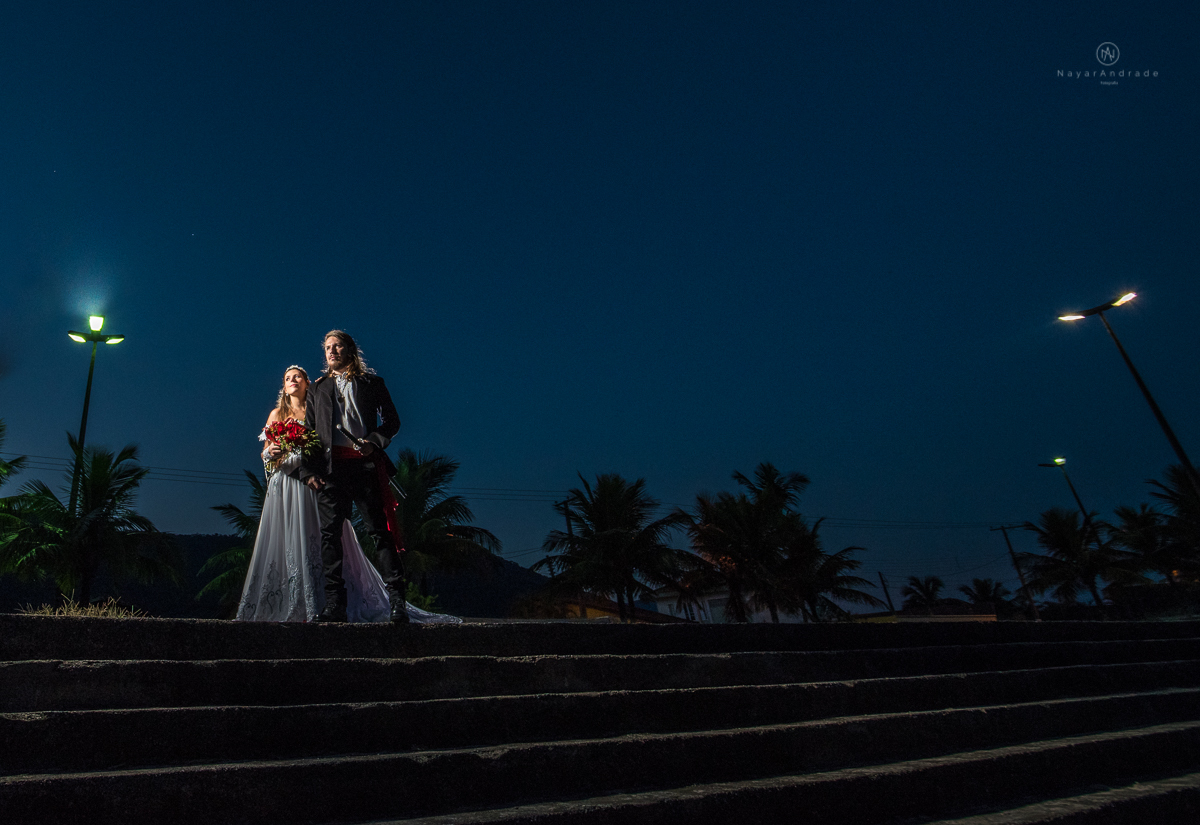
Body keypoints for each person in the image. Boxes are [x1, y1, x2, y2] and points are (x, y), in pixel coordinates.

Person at [235, 365, 458, 624]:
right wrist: (270, 452)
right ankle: (291, 596)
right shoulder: (277, 414)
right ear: (283, 387)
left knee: (321, 535)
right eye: (287, 378)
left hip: (314, 483)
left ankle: (329, 599)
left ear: (309, 382)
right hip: (286, 484)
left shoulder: (320, 408)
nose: (292, 380)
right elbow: (266, 452)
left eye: (297, 376)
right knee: (287, 539)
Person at [300, 330, 410, 623]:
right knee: (329, 536)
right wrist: (309, 471)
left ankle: (398, 602)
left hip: (365, 467)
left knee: (379, 532)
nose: (332, 351)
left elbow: (393, 421)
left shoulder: (372, 383)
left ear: (350, 350)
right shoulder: (318, 388)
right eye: (327, 348)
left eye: (337, 346)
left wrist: (373, 440)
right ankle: (335, 604)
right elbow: (310, 434)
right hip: (331, 470)